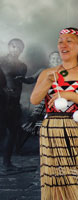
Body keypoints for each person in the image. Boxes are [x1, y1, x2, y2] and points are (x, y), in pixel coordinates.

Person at [30, 27, 78, 199]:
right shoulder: (48, 73)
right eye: (60, 41)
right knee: (56, 182)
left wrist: (69, 94)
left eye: (69, 41)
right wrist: (47, 83)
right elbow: (34, 100)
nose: (63, 45)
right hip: (53, 131)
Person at [0, 38, 35, 170]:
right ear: (9, 47)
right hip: (1, 101)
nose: (16, 50)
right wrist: (4, 90)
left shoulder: (22, 66)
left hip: (14, 103)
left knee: (13, 132)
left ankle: (7, 163)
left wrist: (32, 77)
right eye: (13, 46)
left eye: (19, 48)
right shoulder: (1, 61)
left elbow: (21, 82)